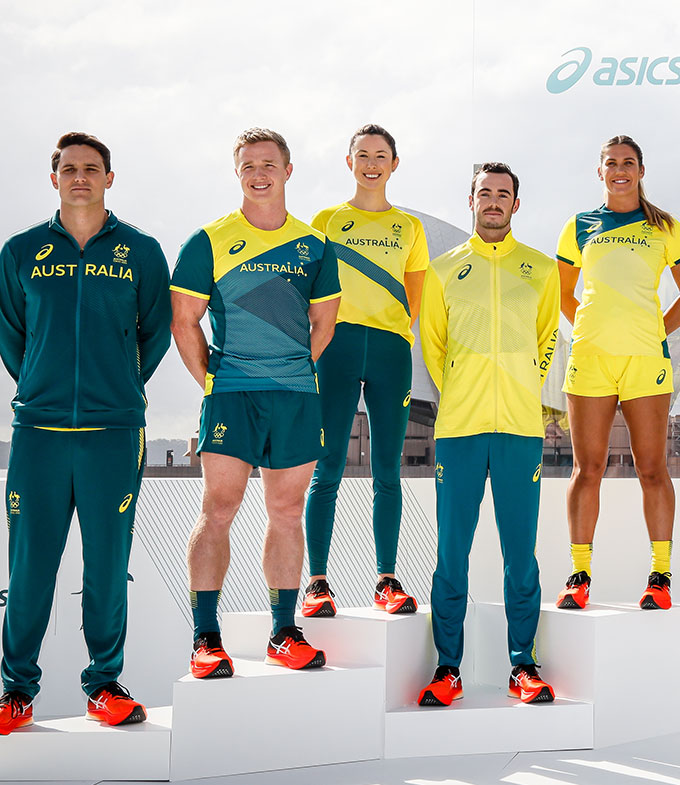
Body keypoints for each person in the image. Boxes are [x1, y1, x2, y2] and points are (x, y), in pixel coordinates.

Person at [0, 133, 171, 734]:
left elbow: (155, 332)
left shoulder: (142, 252)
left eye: (91, 169)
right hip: (40, 435)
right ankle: (15, 690)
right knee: (30, 568)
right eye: (69, 169)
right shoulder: (20, 251)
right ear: (54, 179)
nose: (80, 177)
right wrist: (45, 386)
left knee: (105, 565)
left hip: (112, 434)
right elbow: (12, 337)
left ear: (109, 178)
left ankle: (104, 684)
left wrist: (119, 387)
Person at [170, 128, 340, 678]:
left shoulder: (314, 246)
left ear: (288, 171)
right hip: (232, 396)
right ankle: (205, 639)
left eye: (268, 164)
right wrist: (213, 384)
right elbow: (185, 321)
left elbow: (323, 324)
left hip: (294, 397)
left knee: (287, 513)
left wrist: (288, 370)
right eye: (248, 165)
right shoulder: (208, 241)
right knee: (218, 511)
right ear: (237, 172)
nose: (258, 173)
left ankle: (284, 632)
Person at [417, 162, 559, 706]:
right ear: (470, 200)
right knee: (452, 554)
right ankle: (447, 668)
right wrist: (461, 391)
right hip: (460, 430)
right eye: (485, 193)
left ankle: (523, 665)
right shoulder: (442, 270)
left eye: (503, 194)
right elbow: (434, 348)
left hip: (521, 430)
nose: (494, 202)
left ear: (515, 204)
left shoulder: (540, 270)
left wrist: (522, 382)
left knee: (519, 555)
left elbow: (546, 341)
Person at [554, 135, 680, 611]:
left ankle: (660, 577)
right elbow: (563, 294)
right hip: (592, 359)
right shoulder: (578, 226)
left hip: (645, 362)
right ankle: (579, 575)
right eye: (611, 163)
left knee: (652, 469)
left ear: (641, 170)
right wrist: (592, 331)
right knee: (587, 468)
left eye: (628, 163)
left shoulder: (666, 227)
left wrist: (652, 332)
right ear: (600, 172)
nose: (620, 170)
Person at [302, 124, 429, 618]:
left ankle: (386, 579)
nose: (372, 163)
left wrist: (391, 332)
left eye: (381, 155)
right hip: (336, 344)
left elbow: (413, 298)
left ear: (394, 164)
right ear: (349, 161)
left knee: (386, 469)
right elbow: (310, 284)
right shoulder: (327, 220)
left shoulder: (410, 228)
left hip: (390, 351)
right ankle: (317, 583)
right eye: (363, 155)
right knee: (327, 464)